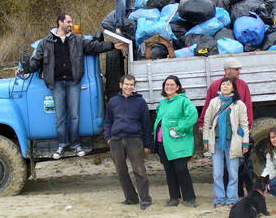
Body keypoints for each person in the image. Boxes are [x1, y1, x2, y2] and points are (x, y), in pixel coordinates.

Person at [18, 13, 126, 159]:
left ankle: (76, 144)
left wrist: (113, 46)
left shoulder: (77, 40)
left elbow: (94, 46)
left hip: (74, 82)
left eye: (71, 22)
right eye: (68, 22)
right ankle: (62, 144)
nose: (70, 24)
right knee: (60, 117)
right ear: (60, 22)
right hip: (56, 83)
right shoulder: (46, 42)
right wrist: (25, 69)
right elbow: (36, 62)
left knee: (74, 116)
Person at [198, 57, 254, 197]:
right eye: (236, 69)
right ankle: (222, 197)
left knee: (241, 165)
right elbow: (208, 108)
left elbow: (248, 108)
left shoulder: (243, 85)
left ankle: (239, 194)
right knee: (220, 169)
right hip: (218, 137)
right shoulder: (215, 85)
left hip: (236, 134)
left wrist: (248, 129)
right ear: (227, 70)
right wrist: (202, 125)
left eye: (239, 69)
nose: (238, 71)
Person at [104, 75, 152, 210]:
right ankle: (131, 198)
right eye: (126, 84)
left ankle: (145, 199)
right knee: (121, 171)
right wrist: (108, 137)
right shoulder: (113, 102)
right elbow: (108, 121)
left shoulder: (140, 102)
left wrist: (147, 144)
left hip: (134, 139)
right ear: (121, 85)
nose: (129, 87)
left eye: (131, 85)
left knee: (139, 170)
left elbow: (146, 124)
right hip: (116, 140)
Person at [203, 77, 249, 208]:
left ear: (233, 88)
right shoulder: (213, 103)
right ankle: (219, 199)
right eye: (223, 84)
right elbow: (207, 122)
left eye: (229, 84)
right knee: (217, 173)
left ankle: (232, 199)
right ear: (220, 87)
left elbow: (244, 125)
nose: (225, 86)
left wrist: (245, 143)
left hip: (233, 142)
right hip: (216, 142)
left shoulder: (239, 105)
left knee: (233, 173)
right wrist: (205, 139)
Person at [153, 75, 198, 208]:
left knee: (181, 169)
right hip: (163, 143)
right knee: (169, 171)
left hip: (178, 142)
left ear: (178, 87)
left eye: (172, 85)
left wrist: (179, 128)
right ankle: (174, 198)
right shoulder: (163, 103)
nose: (169, 87)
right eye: (167, 85)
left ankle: (190, 199)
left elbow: (193, 115)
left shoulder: (183, 101)